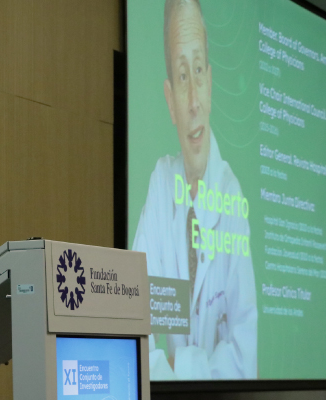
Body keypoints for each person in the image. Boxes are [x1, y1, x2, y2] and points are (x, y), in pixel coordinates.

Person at [132, 0, 257, 379]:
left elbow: (243, 358)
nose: (193, 103)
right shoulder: (161, 184)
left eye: (198, 71)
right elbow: (131, 316)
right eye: (182, 77)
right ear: (169, 101)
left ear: (212, 82)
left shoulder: (232, 197)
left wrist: (174, 366)